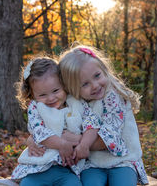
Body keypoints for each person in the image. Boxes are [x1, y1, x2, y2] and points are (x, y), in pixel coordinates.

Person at [59, 45, 149, 186]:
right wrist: (34, 141)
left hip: (123, 161)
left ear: (104, 70)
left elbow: (109, 140)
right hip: (93, 164)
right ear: (72, 88)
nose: (95, 85)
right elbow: (52, 125)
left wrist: (77, 141)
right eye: (85, 84)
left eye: (97, 76)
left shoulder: (113, 96)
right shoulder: (74, 103)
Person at [11, 57, 100, 186]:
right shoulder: (36, 108)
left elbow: (92, 123)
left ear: (64, 85)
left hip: (68, 171)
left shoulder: (76, 103)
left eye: (55, 91)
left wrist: (84, 144)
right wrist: (61, 144)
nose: (51, 98)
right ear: (31, 94)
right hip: (38, 168)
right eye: (42, 95)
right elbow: (39, 132)